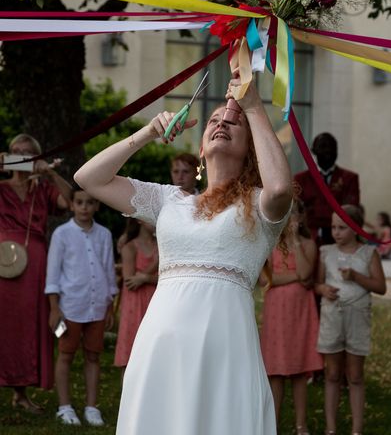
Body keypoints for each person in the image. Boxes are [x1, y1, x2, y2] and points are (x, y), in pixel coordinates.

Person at [74, 76, 292, 435]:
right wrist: (146, 133)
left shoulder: (260, 204)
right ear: (201, 149)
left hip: (225, 346)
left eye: (233, 122)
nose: (222, 122)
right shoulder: (168, 200)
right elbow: (89, 179)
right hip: (162, 345)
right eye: (215, 121)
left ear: (251, 148)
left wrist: (253, 106)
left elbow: (281, 187)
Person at [0, 133, 72, 413]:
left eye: (28, 152)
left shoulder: (43, 190)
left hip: (36, 264)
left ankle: (21, 393)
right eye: (16, 151)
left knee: (27, 326)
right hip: (3, 259)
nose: (22, 155)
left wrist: (49, 175)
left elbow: (71, 201)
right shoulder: (2, 187)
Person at [45, 186, 117, 426]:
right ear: (72, 205)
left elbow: (108, 270)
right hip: (70, 306)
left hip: (97, 305)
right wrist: (54, 308)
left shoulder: (104, 234)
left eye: (89, 203)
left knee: (93, 356)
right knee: (65, 354)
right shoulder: (62, 234)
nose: (84, 207)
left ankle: (91, 407)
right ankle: (64, 407)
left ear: (96, 206)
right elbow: (53, 274)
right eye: (79, 202)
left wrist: (109, 307)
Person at [315, 204, 386, 435]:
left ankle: (357, 429)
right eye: (333, 227)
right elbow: (316, 284)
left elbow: (380, 286)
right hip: (332, 316)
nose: (336, 232)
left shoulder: (368, 253)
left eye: (342, 228)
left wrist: (356, 276)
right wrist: (323, 289)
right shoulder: (326, 252)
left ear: (355, 228)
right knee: (332, 374)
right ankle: (331, 427)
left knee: (355, 376)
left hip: (357, 317)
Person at [259, 199, 323, 435]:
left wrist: (295, 241)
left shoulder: (307, 244)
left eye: (295, 214)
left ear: (301, 218)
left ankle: (300, 424)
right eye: (287, 214)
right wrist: (295, 277)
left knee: (299, 370)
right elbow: (265, 281)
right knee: (276, 372)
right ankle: (273, 425)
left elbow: (307, 273)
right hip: (276, 314)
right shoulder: (269, 244)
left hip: (300, 314)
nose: (291, 219)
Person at [294, 133, 359, 245]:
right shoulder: (301, 179)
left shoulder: (349, 178)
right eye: (323, 146)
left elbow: (351, 210)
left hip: (340, 237)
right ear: (314, 151)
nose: (328, 150)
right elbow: (296, 210)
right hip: (308, 237)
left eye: (332, 147)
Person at [114, 218, 158, 375]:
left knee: (153, 351)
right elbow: (130, 281)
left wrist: (145, 278)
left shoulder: (161, 246)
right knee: (130, 350)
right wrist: (153, 268)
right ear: (139, 219)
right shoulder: (130, 246)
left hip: (155, 302)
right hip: (134, 304)